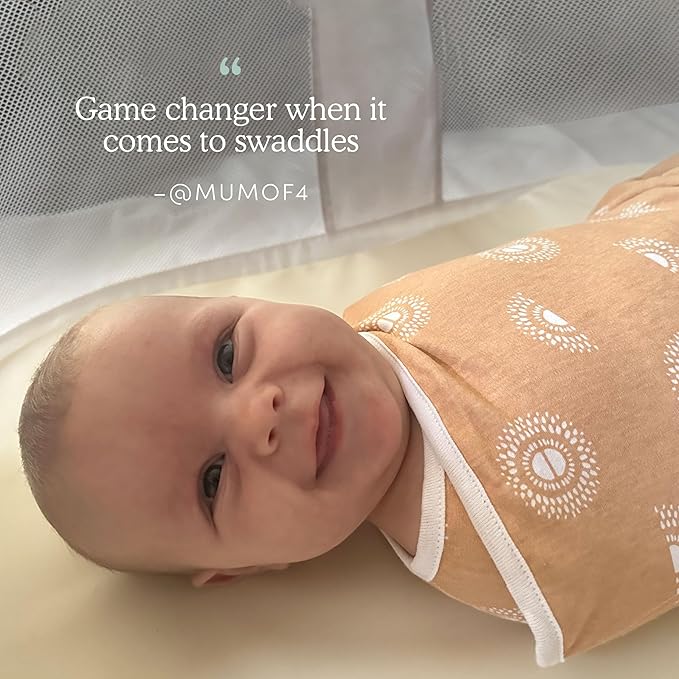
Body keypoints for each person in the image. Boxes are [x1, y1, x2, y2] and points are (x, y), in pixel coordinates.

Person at [18, 154, 679, 666]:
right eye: (212, 480)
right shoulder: (510, 552)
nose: (258, 417)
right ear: (245, 567)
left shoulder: (372, 321)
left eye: (226, 354)